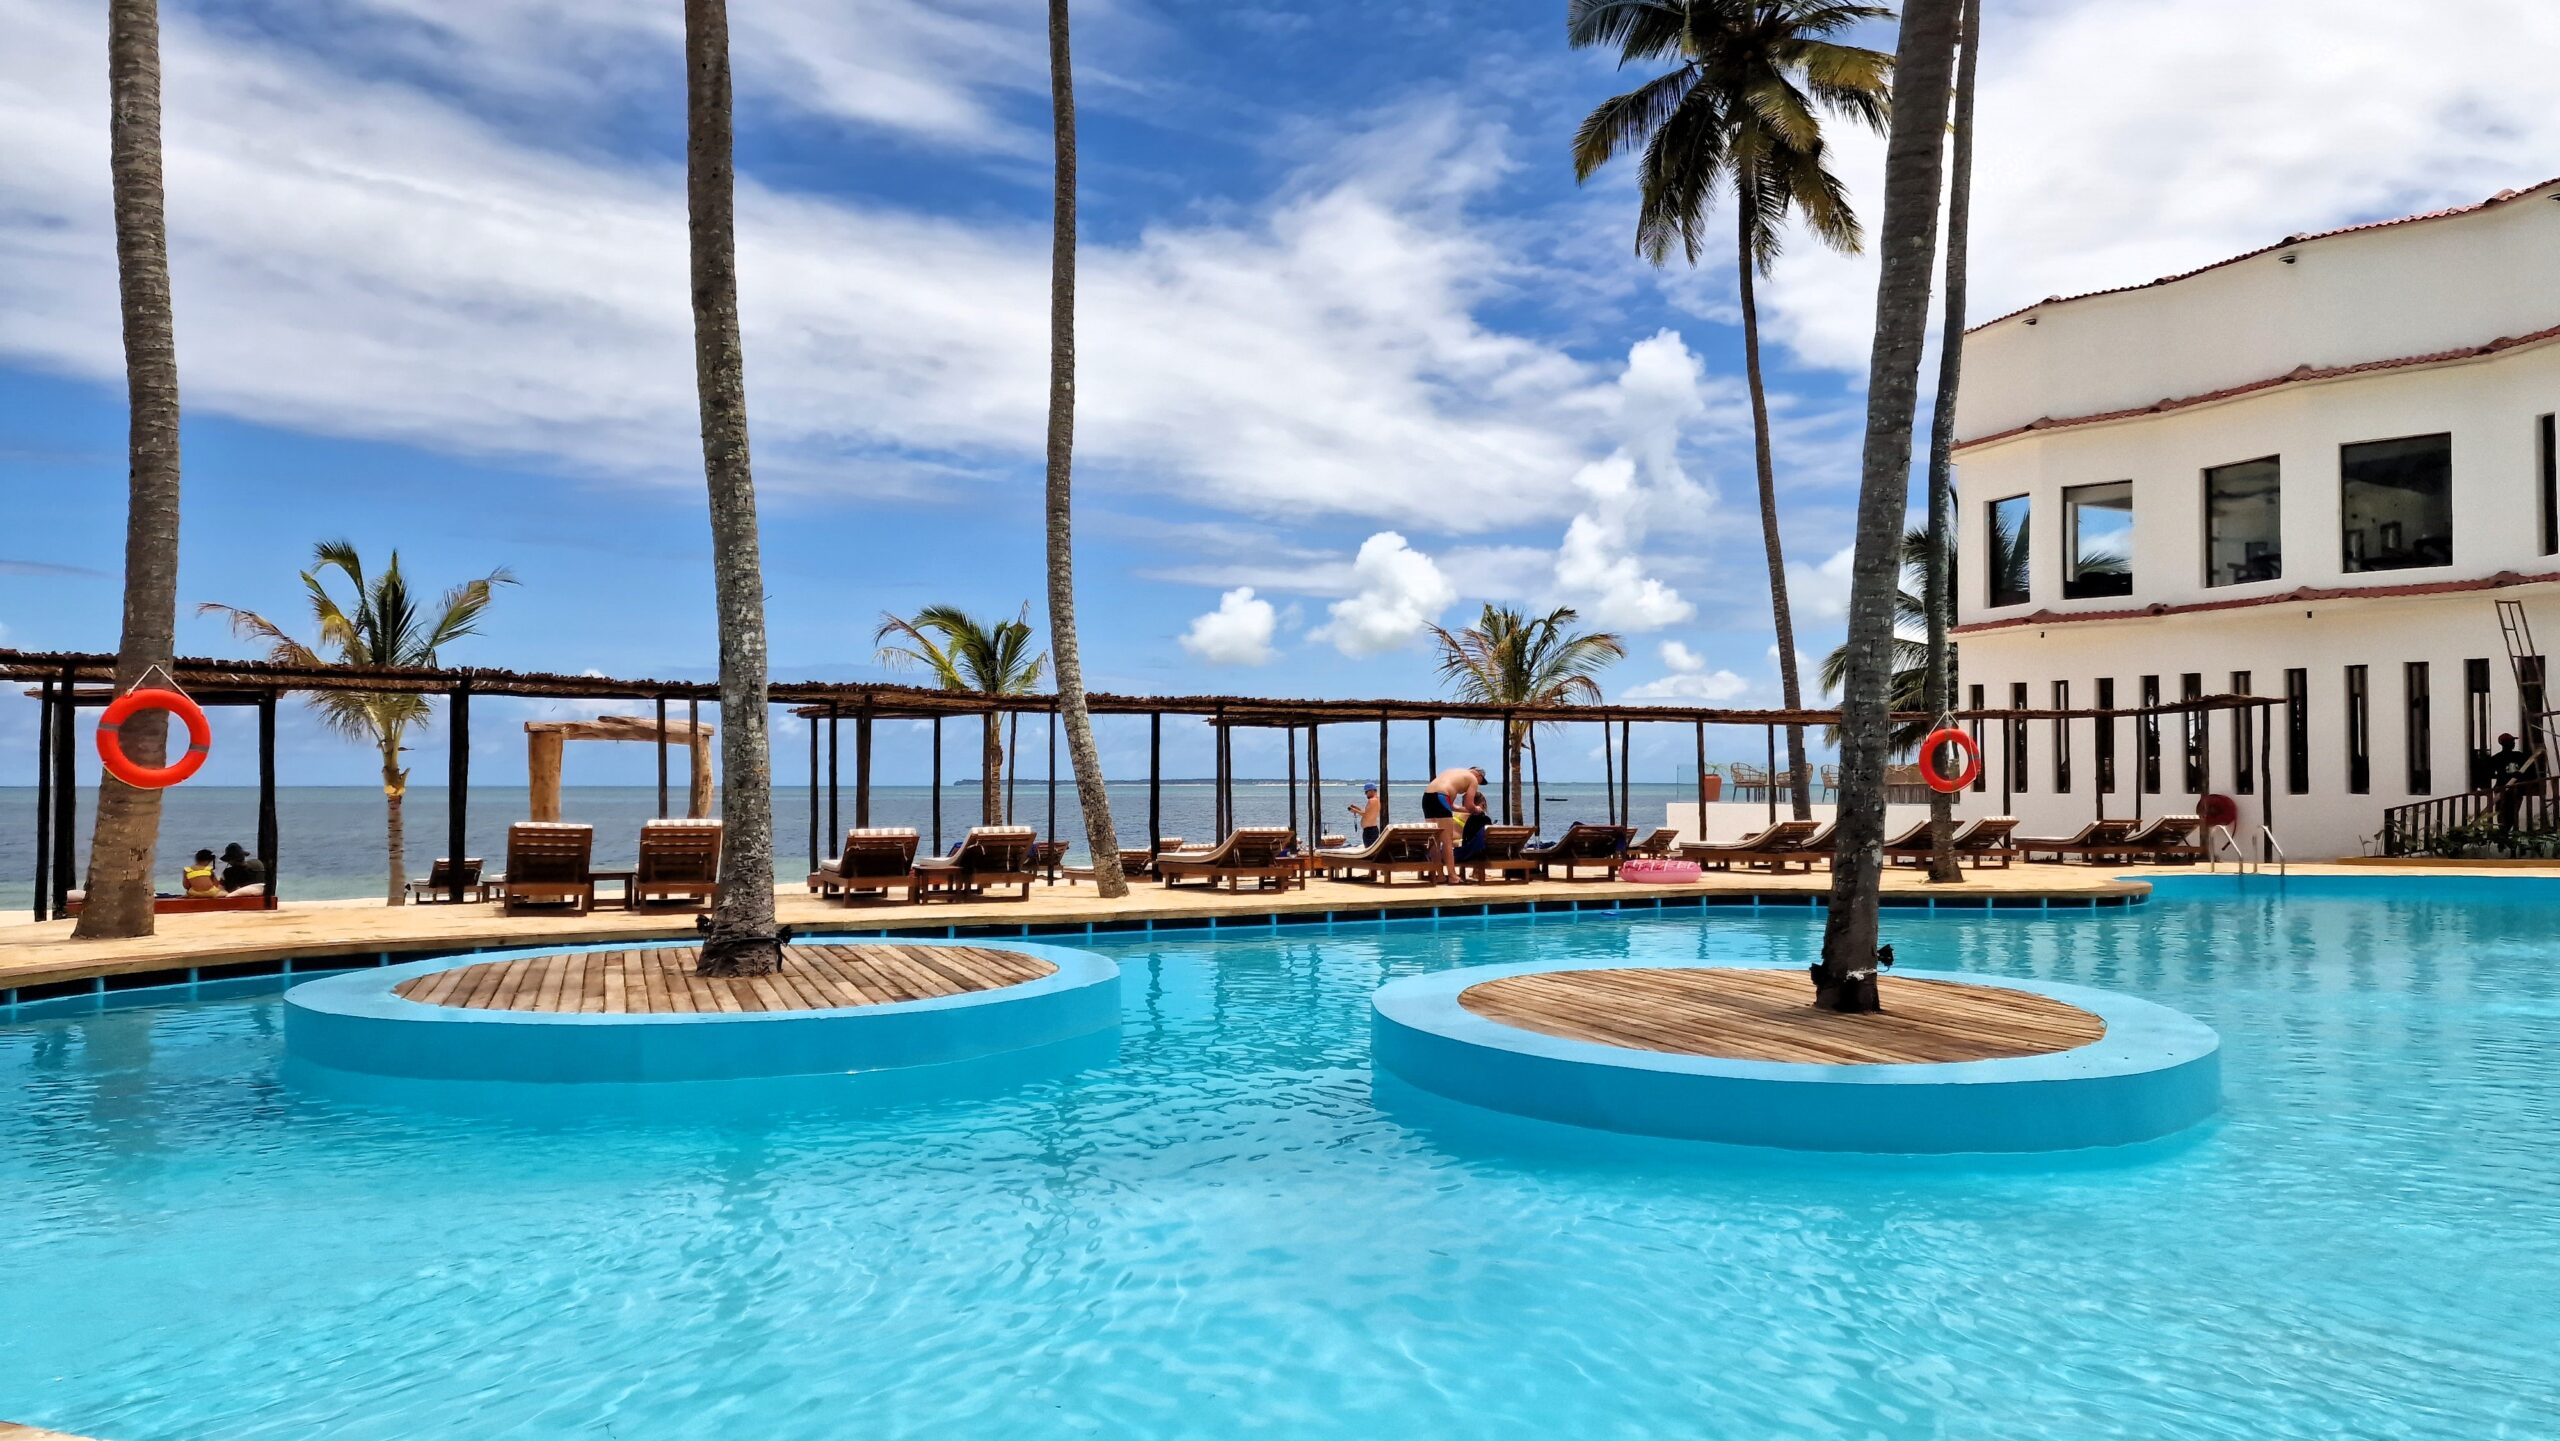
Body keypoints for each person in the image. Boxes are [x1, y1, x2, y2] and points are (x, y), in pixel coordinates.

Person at [1420, 767, 1480, 881]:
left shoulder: (1453, 773)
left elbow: (1451, 806)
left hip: (1427, 797)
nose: (1478, 785)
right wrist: (1477, 809)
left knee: (1434, 839)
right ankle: (1452, 876)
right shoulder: (1473, 779)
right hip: (1441, 797)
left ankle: (1440, 875)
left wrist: (1466, 810)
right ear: (1479, 776)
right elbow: (1470, 804)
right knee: (1447, 840)